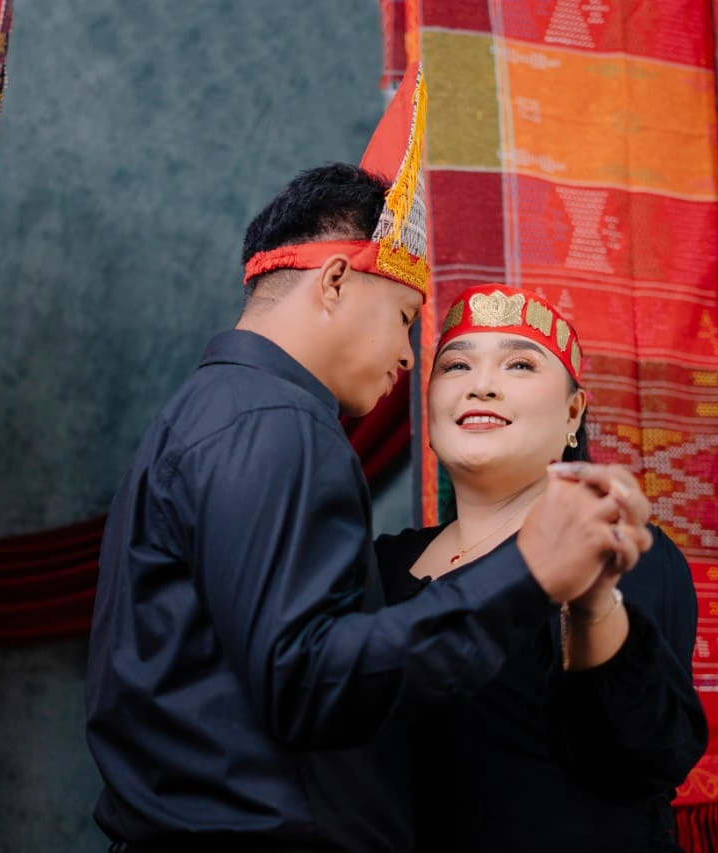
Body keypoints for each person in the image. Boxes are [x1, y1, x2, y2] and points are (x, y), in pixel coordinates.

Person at [86, 58, 655, 853]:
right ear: (332, 283)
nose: (407, 356)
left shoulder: (210, 410)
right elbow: (307, 681)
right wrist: (526, 571)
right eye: (406, 318)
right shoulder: (276, 421)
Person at [375, 284, 709, 853]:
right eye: (456, 365)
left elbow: (641, 757)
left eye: (520, 364)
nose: (481, 385)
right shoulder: (377, 564)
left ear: (573, 413)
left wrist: (592, 603)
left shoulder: (619, 550)